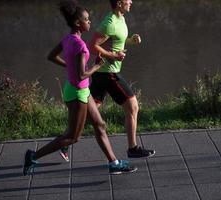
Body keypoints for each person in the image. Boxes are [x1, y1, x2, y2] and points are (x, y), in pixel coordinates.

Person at [22, 0, 137, 176]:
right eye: (86, 19)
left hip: (79, 90)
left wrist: (69, 65)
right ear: (78, 23)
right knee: (72, 137)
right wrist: (97, 66)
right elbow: (81, 75)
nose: (90, 22)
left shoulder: (69, 39)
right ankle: (33, 155)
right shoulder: (81, 46)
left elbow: (51, 56)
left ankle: (114, 163)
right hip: (77, 93)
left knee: (100, 124)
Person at [59, 0, 155, 161]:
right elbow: (92, 46)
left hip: (102, 73)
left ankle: (66, 141)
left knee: (90, 112)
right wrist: (114, 56)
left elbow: (117, 40)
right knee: (133, 106)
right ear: (118, 3)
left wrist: (131, 40)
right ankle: (133, 148)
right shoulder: (109, 22)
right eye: (127, 0)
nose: (131, 1)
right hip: (107, 72)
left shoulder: (121, 18)